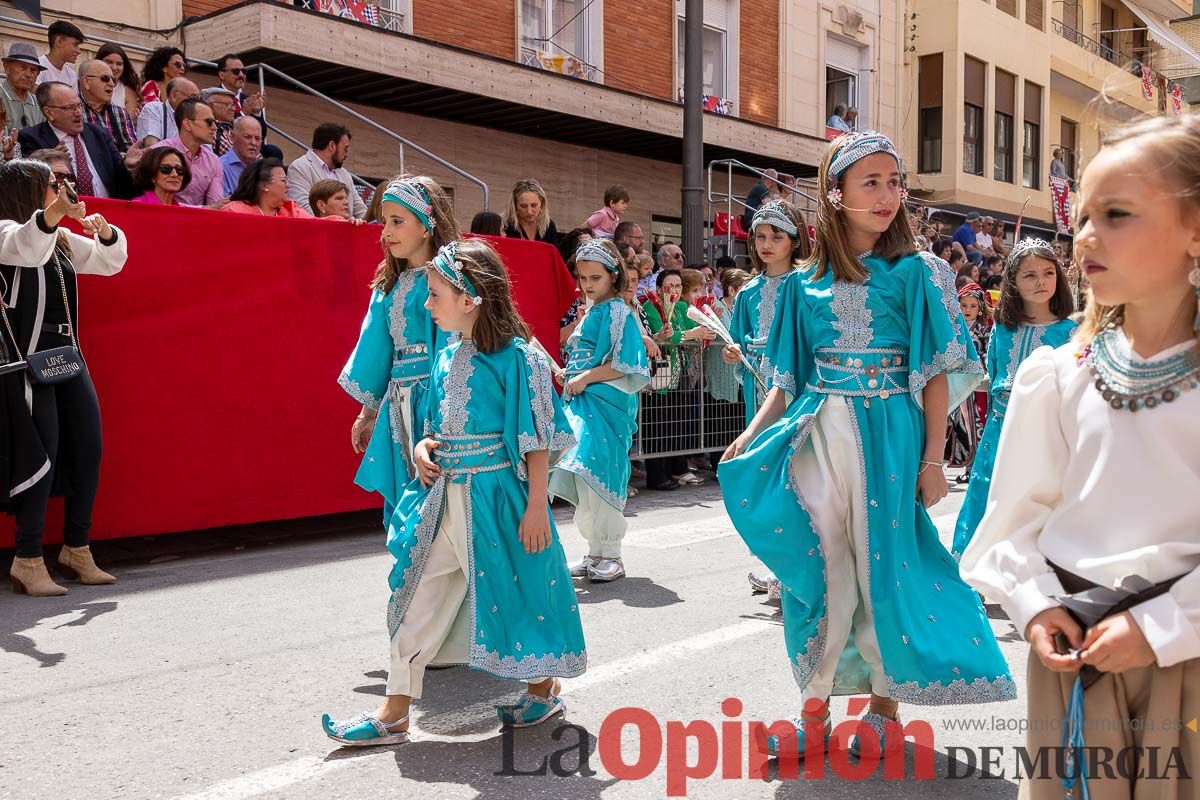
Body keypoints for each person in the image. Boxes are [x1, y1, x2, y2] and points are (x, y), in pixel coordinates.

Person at [718, 130, 1014, 760]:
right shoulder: (800, 284)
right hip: (815, 431)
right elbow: (785, 379)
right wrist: (748, 436)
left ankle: (884, 705)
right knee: (821, 567)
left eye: (894, 181)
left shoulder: (919, 272)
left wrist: (934, 460)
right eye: (870, 182)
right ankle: (815, 710)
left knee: (886, 563)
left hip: (890, 432)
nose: (888, 195)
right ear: (835, 194)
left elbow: (935, 370)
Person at [961, 114, 1200, 799]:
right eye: (1084, 215)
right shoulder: (1058, 374)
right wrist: (1036, 606)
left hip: (1187, 661)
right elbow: (1013, 523)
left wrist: (1160, 626)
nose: (1087, 235)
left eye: (1117, 213)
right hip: (1071, 659)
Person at [322, 238, 585, 745]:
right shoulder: (447, 358)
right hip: (442, 497)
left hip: (500, 499)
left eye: (436, 294)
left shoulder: (520, 357)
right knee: (416, 592)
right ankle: (394, 713)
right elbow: (433, 424)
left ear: (470, 299)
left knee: (515, 591)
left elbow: (535, 440)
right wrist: (423, 447)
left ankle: (542, 688)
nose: (427, 305)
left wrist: (536, 507)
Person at [0, 159, 127, 596]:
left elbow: (110, 262)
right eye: (52, 184)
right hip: (26, 363)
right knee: (42, 455)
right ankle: (28, 558)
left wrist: (105, 231)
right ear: (28, 189)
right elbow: (27, 245)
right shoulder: (6, 232)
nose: (61, 189)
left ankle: (77, 547)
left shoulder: (60, 238)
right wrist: (56, 214)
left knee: (88, 447)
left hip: (68, 358)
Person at [339, 175, 460, 515]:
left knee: (439, 491)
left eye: (397, 221)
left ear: (426, 225)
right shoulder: (388, 284)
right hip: (398, 401)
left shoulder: (446, 280)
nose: (386, 232)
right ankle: (413, 566)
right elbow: (376, 349)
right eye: (383, 222)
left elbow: (453, 347)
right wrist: (367, 412)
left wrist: (446, 409)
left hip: (435, 400)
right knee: (405, 499)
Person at [951, 239, 1075, 556]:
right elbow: (994, 378)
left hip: (1046, 434)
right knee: (985, 494)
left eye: (1048, 273)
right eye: (1030, 275)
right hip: (999, 429)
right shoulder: (1003, 329)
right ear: (1014, 283)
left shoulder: (1071, 333)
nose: (1041, 282)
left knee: (1037, 504)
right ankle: (969, 571)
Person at [721, 201, 811, 596]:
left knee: (793, 473)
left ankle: (791, 567)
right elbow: (737, 343)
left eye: (777, 236)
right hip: (756, 390)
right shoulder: (747, 294)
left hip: (794, 391)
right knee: (764, 472)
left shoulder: (806, 284)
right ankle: (772, 561)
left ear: (795, 240)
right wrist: (734, 355)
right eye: (760, 236)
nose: (767, 244)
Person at [547, 239, 649, 583]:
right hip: (581, 401)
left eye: (595, 278)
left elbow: (628, 364)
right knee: (584, 471)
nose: (587, 285)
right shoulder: (592, 312)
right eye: (583, 278)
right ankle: (595, 550)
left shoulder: (619, 311)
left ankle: (613, 554)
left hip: (607, 404)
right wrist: (571, 376)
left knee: (599, 469)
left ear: (613, 275)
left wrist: (586, 377)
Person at [19, 82, 139, 200]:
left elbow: (122, 181)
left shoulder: (98, 134)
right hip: (64, 212)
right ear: (49, 113)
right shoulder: (31, 138)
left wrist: (128, 165)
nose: (78, 113)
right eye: (70, 107)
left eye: (79, 105)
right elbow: (30, 186)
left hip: (106, 209)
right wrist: (48, 162)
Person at [945, 282, 992, 479]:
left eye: (973, 306)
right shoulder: (953, 329)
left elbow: (989, 353)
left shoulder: (983, 329)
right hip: (956, 380)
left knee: (978, 422)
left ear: (980, 307)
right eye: (964, 306)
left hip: (977, 382)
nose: (968, 310)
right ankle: (966, 463)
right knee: (960, 424)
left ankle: (976, 467)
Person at [150, 98, 224, 207]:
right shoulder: (158, 151)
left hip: (198, 222)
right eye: (209, 122)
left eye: (215, 122)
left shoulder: (214, 161)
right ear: (187, 124)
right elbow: (152, 199)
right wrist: (203, 209)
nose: (214, 127)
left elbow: (216, 206)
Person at [287, 123, 367, 219]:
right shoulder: (299, 167)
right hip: (316, 231)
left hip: (346, 231)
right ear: (332, 145)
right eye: (345, 149)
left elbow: (359, 208)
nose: (347, 154)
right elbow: (302, 208)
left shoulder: (344, 173)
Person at [78, 60, 136, 154]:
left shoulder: (120, 112)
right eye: (105, 78)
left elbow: (131, 147)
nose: (112, 84)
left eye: (113, 80)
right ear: (86, 82)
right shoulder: (72, 109)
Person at [224, 158, 312, 218]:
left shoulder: (292, 210)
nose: (288, 185)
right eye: (283, 180)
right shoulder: (233, 211)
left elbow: (317, 224)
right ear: (264, 185)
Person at [135, 77, 199, 146]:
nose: (197, 103)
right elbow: (151, 146)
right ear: (174, 95)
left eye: (199, 98)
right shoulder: (154, 109)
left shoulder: (197, 118)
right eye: (193, 97)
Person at [501, 178, 558, 248]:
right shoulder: (504, 225)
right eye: (523, 206)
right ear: (515, 206)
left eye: (534, 205)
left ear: (542, 203)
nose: (529, 211)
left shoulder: (548, 225)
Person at [1, 43, 45, 131]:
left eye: (33, 70)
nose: (28, 75)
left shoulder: (38, 103)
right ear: (6, 67)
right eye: (22, 67)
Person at [214, 54, 266, 128]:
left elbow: (262, 135)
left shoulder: (248, 100)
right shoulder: (214, 98)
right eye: (236, 71)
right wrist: (243, 113)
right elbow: (221, 129)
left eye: (244, 71)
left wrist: (256, 113)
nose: (241, 75)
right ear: (222, 75)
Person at [95, 43, 140, 122]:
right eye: (109, 62)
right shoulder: (88, 83)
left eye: (119, 64)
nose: (114, 67)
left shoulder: (127, 91)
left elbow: (129, 121)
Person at [219, 116, 262, 196]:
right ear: (232, 137)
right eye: (247, 137)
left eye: (257, 138)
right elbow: (222, 205)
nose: (253, 143)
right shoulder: (220, 166)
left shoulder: (264, 168)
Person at [36, 20, 83, 88]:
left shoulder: (71, 75)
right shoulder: (37, 67)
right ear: (59, 41)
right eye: (75, 44)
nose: (79, 51)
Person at [201, 86, 238, 156]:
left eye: (233, 105)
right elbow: (238, 156)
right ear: (210, 106)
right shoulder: (207, 130)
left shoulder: (230, 128)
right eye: (228, 104)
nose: (233, 109)